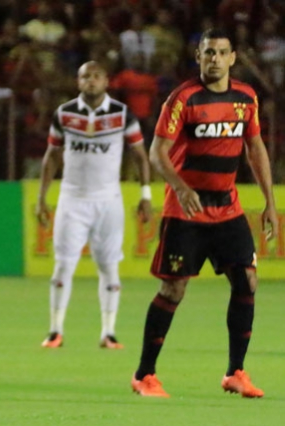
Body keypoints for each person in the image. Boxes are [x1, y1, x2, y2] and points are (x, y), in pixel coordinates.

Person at [131, 29, 277, 398]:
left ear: (233, 58)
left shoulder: (246, 98)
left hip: (227, 208)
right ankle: (144, 375)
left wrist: (270, 204)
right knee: (173, 288)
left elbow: (255, 148)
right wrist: (181, 187)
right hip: (185, 210)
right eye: (208, 52)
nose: (214, 59)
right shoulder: (182, 98)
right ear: (198, 56)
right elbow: (157, 153)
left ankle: (236, 372)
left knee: (246, 282)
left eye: (221, 53)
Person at [36, 61, 151, 350]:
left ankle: (109, 332)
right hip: (71, 199)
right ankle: (55, 331)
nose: (91, 81)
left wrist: (145, 194)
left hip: (108, 200)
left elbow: (139, 155)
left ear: (106, 81)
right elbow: (51, 156)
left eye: (96, 76)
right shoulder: (64, 113)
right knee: (63, 266)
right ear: (78, 82)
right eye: (85, 76)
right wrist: (41, 198)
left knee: (109, 267)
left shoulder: (122, 114)